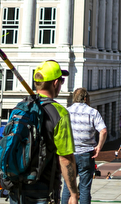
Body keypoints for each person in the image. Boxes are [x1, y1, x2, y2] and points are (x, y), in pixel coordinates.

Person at [7, 60, 78, 204]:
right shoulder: (59, 113)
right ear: (55, 83)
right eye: (61, 81)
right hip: (43, 189)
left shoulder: (19, 108)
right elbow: (65, 158)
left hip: (16, 187)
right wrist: (73, 193)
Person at [61, 87, 108, 204]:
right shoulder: (92, 112)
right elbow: (103, 131)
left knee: (68, 186)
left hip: (70, 153)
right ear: (86, 98)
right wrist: (99, 147)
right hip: (86, 153)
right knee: (85, 188)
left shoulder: (66, 111)